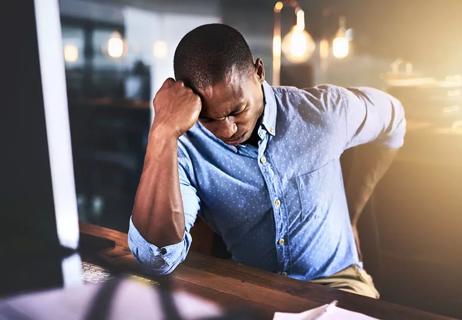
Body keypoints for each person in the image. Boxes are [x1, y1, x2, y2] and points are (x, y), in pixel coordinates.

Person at [128, 23, 405, 299]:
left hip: (338, 284)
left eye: (237, 110)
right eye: (209, 118)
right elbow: (156, 259)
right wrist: (162, 132)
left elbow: (394, 117)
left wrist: (355, 208)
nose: (227, 130)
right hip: (253, 289)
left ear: (259, 72)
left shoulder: (324, 112)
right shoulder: (185, 146)